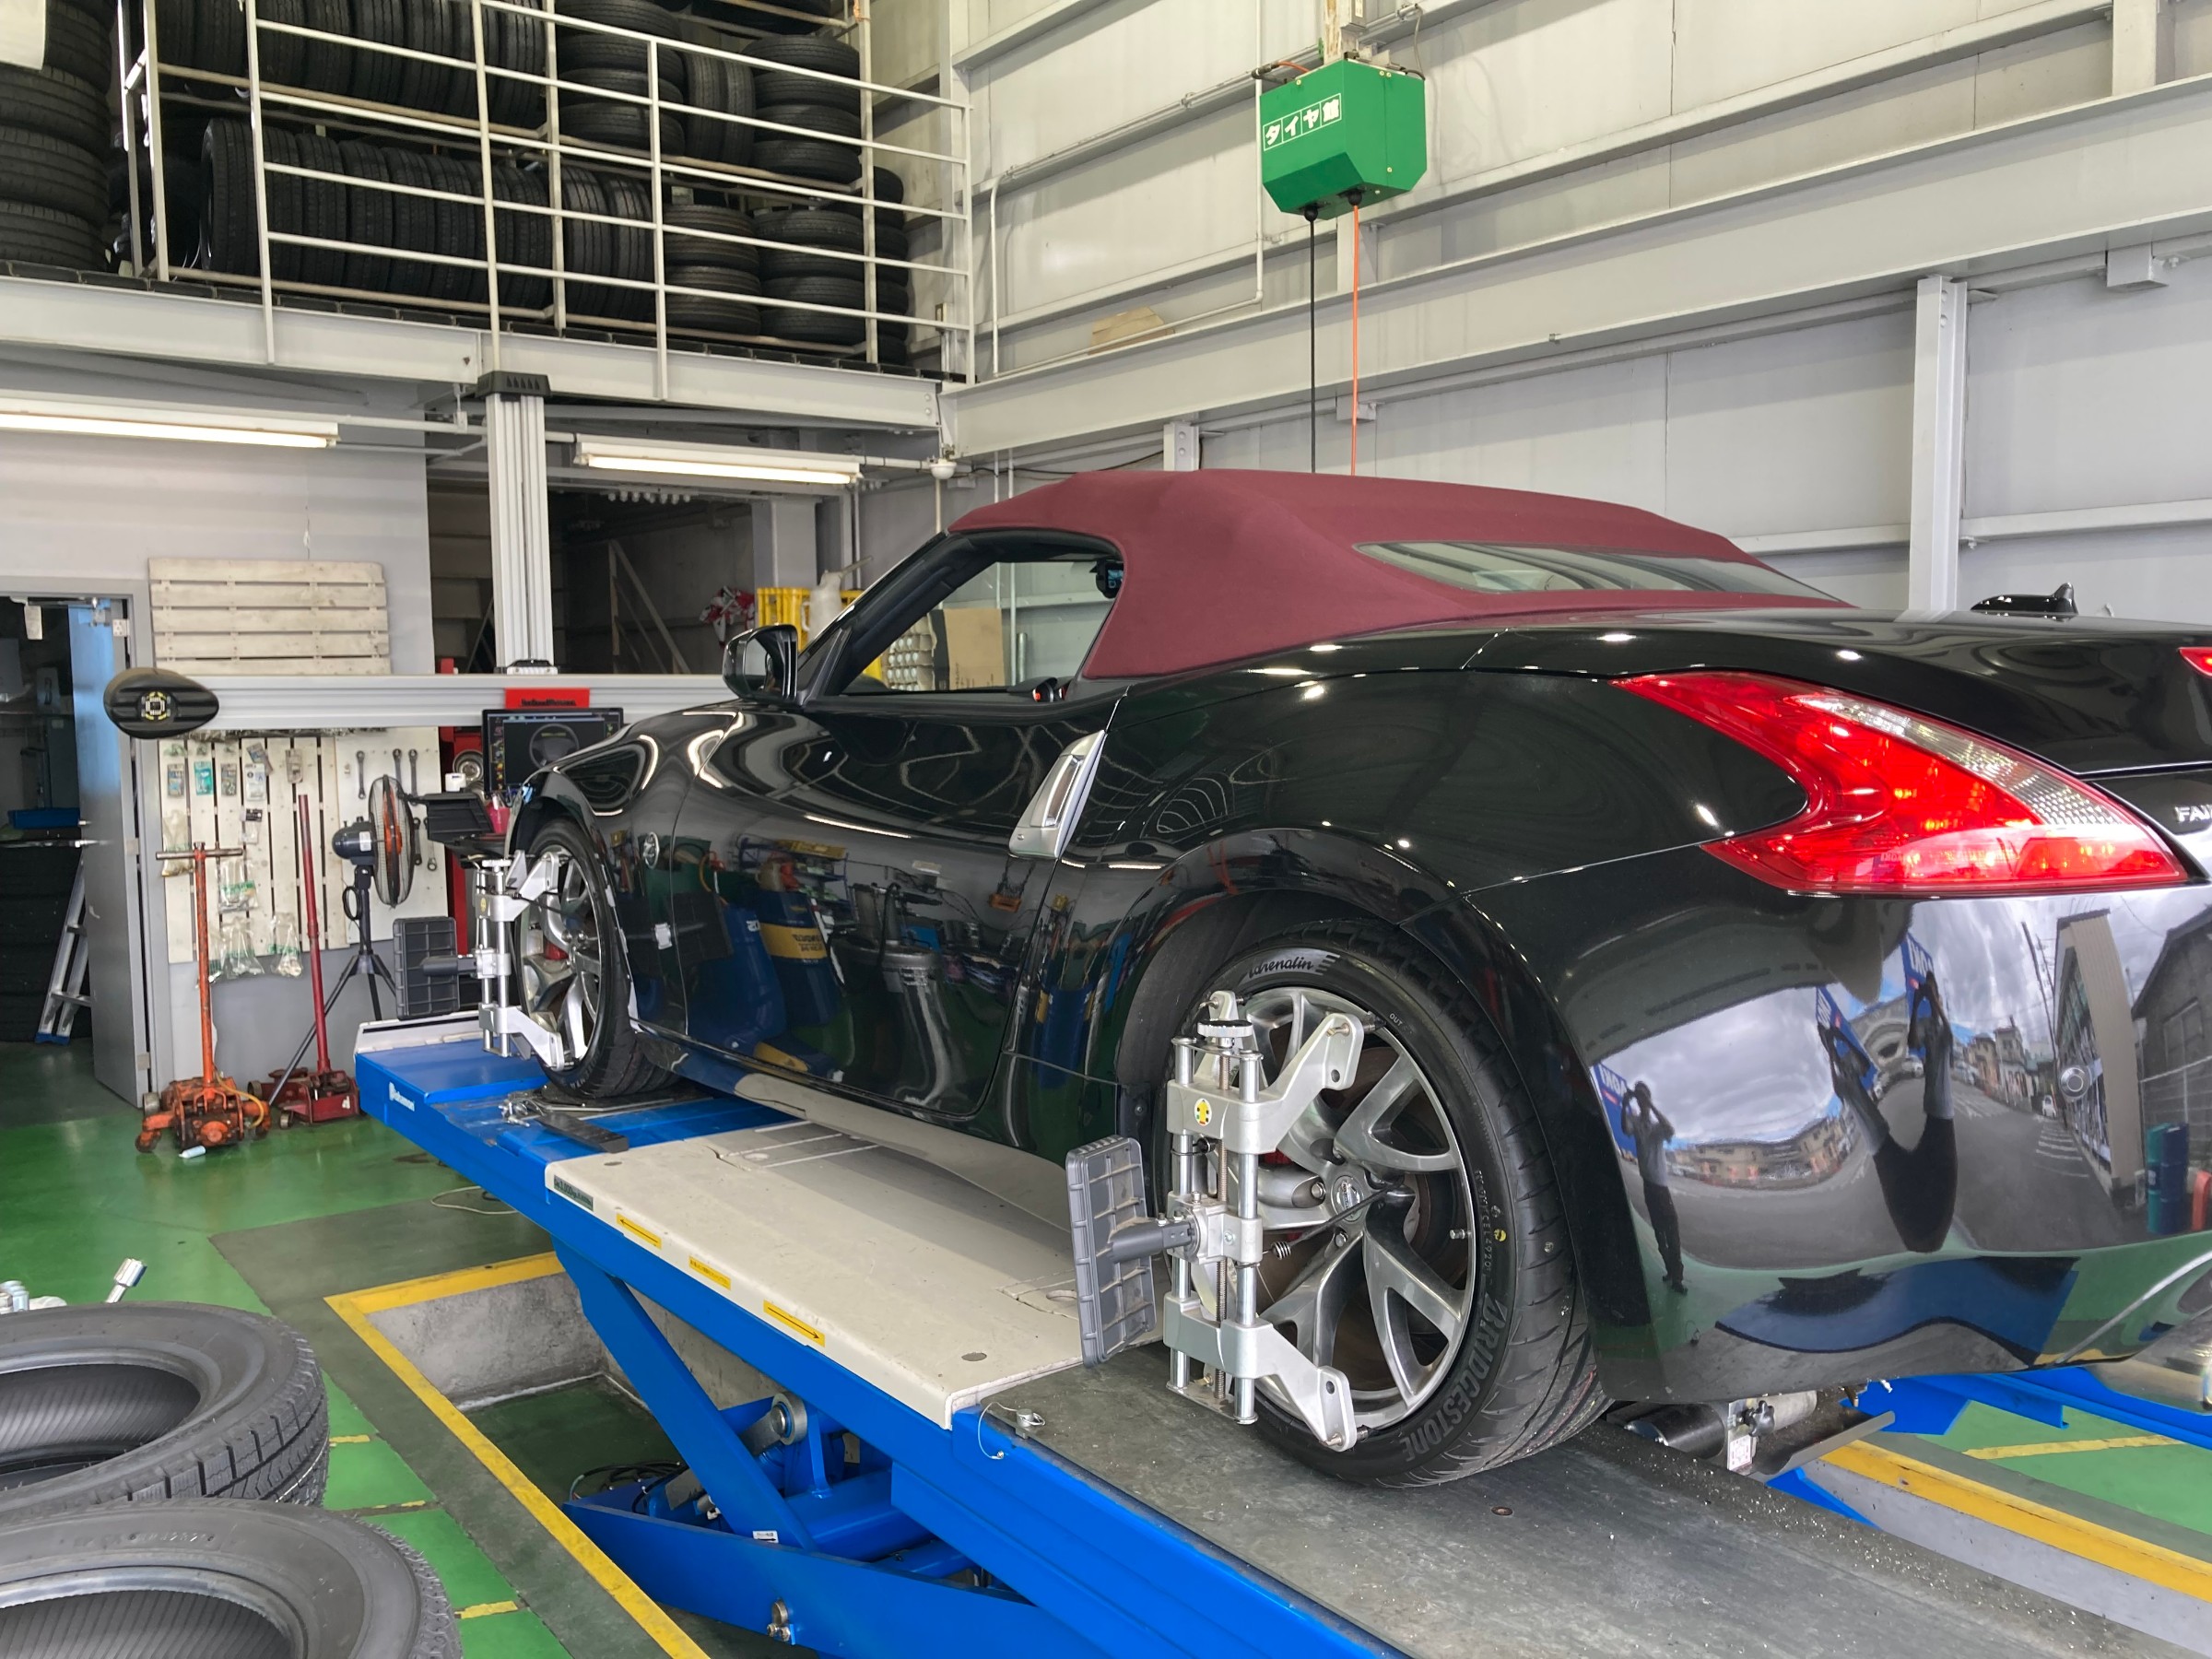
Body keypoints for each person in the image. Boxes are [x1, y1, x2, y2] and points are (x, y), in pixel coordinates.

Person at [1622, 1082, 1686, 1293]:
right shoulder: (1635, 1121)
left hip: (1661, 1187)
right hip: (1648, 1186)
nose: (1642, 1100)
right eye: (1639, 1096)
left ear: (1648, 1098)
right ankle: (1670, 1271)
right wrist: (1624, 1105)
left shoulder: (1657, 1127)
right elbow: (1625, 1129)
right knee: (1660, 1233)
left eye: (1645, 1096)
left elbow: (1670, 1130)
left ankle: (1678, 1278)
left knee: (1672, 1231)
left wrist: (1651, 1105)